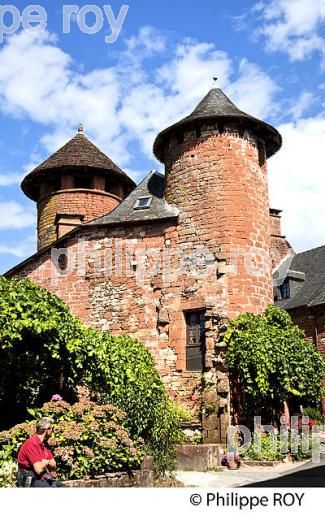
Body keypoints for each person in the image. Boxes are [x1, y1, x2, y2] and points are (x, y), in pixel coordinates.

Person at [17, 417, 63, 487]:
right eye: (52, 429)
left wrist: (43, 462)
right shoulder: (31, 443)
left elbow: (53, 464)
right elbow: (39, 469)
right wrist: (47, 462)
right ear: (47, 430)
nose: (53, 431)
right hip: (31, 480)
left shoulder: (45, 444)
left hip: (42, 477)